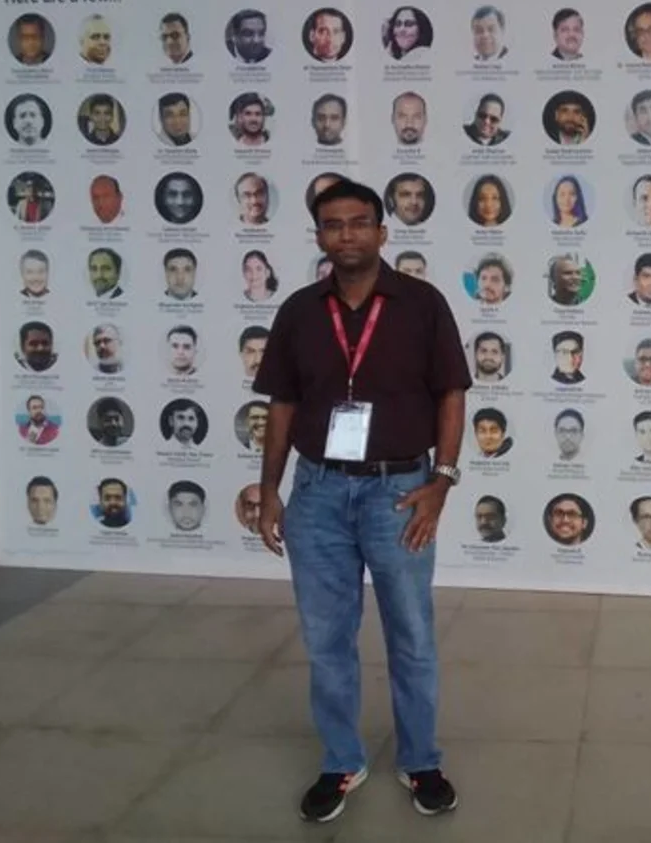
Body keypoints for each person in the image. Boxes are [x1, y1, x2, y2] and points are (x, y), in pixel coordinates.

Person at [252, 177, 470, 823]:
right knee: (326, 638)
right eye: (332, 224)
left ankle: (421, 758)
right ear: (319, 235)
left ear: (382, 231)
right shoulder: (297, 310)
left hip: (400, 491)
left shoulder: (423, 304)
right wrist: (270, 488)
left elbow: (451, 394)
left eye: (357, 222)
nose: (345, 233)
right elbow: (282, 403)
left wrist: (442, 481)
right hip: (317, 492)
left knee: (411, 633)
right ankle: (341, 759)